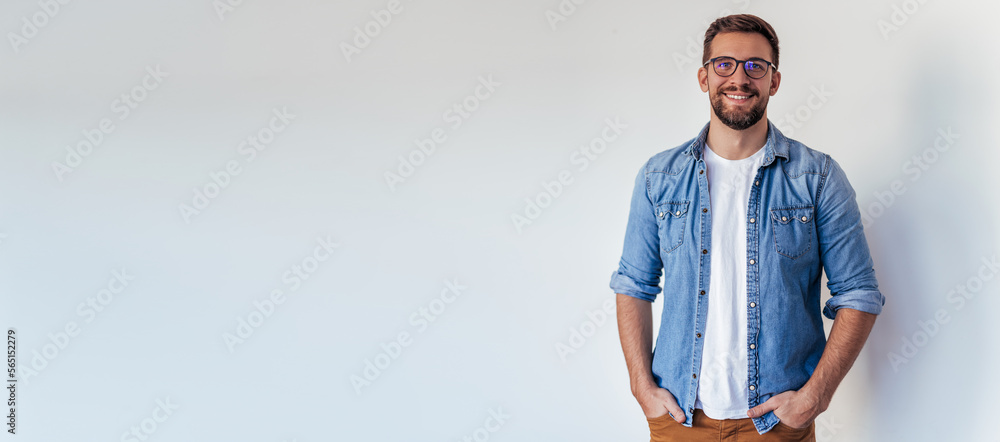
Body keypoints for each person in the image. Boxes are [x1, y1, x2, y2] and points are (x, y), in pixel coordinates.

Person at [609, 14, 885, 441]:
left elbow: (860, 294)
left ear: (774, 81)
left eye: (756, 66)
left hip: (777, 422)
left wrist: (815, 398)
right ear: (704, 77)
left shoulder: (817, 177)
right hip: (680, 418)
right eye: (725, 65)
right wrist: (642, 388)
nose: (740, 77)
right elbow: (633, 284)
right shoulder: (658, 177)